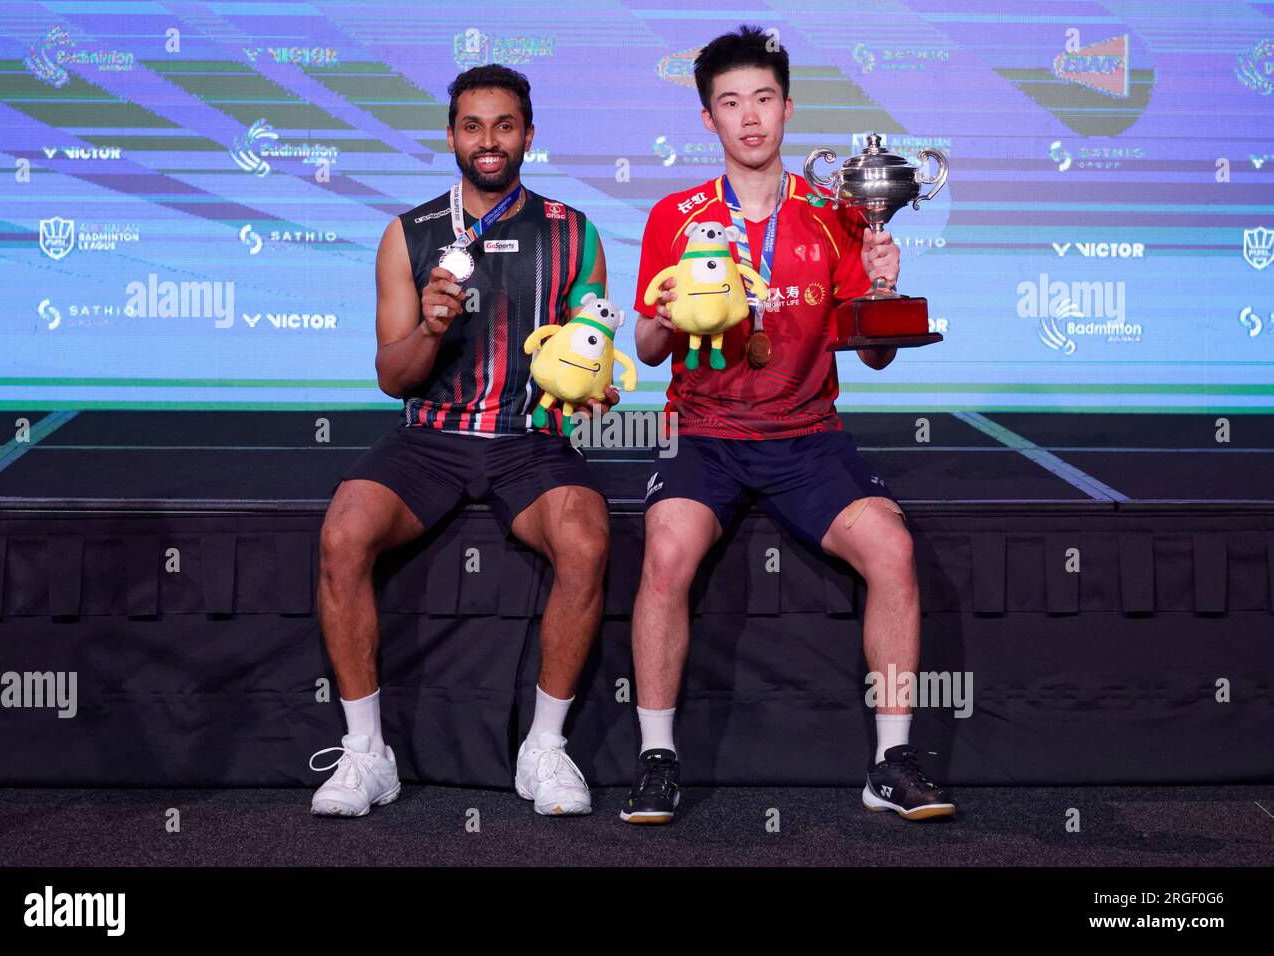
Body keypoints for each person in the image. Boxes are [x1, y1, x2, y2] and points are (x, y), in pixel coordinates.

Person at [622, 26, 954, 824]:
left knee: (893, 547)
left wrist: (878, 297)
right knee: (666, 551)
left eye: (763, 100)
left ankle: (892, 763)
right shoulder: (676, 215)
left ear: (788, 109)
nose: (750, 118)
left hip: (808, 436)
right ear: (708, 119)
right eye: (730, 103)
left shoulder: (837, 214)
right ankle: (658, 758)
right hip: (705, 434)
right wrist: (665, 316)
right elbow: (645, 344)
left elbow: (872, 361)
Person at [311, 64, 617, 819]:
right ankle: (366, 754)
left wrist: (596, 381)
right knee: (343, 535)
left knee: (584, 540)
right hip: (432, 437)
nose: (489, 141)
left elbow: (591, 353)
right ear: (451, 136)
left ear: (529, 136)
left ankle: (544, 749)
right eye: (473, 126)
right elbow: (392, 375)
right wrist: (431, 326)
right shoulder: (407, 234)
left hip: (530, 437)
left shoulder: (573, 232)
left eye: (505, 125)